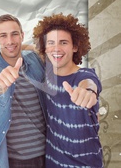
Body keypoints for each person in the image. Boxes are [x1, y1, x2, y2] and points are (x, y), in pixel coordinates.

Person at [32, 13, 103, 167]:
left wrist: (88, 93)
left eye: (63, 42)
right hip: (53, 162)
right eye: (51, 43)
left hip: (85, 164)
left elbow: (90, 84)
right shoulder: (48, 72)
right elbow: (33, 48)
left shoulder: (84, 75)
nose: (56, 48)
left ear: (75, 46)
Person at [0, 14, 47, 168]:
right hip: (16, 160)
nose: (9, 41)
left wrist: (25, 46)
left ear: (22, 36)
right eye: (3, 36)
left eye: (14, 34)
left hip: (49, 154)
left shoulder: (34, 60)